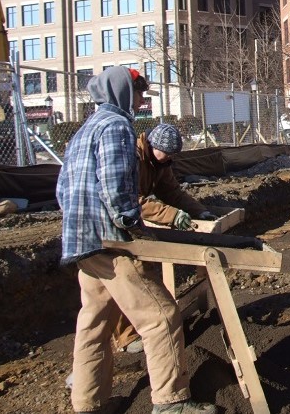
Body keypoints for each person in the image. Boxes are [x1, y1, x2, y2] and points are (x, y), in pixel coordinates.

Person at [56, 66, 216, 414]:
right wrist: (130, 224)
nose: (142, 99)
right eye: (139, 92)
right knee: (160, 317)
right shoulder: (116, 126)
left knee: (94, 323)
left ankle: (88, 403)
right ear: (121, 92)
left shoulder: (85, 129)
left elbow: (62, 188)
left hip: (83, 240)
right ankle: (171, 403)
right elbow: (116, 187)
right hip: (110, 242)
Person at [111, 123, 219, 353]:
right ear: (152, 145)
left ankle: (136, 328)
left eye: (171, 156)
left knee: (139, 272)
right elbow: (133, 200)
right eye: (166, 154)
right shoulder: (134, 159)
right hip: (113, 223)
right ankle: (126, 337)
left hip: (129, 221)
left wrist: (198, 211)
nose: (168, 159)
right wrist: (172, 215)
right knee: (129, 275)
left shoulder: (160, 163)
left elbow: (172, 192)